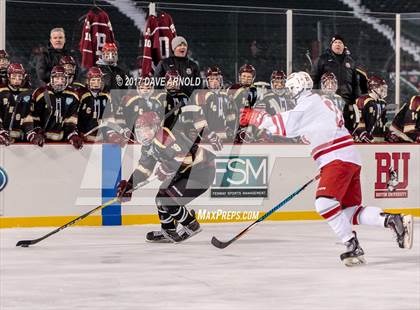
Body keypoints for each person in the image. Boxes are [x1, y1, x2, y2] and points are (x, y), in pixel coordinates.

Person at [240, 71, 413, 266]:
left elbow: (285, 126)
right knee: (349, 211)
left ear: (296, 88)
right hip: (345, 158)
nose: (289, 94)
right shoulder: (320, 103)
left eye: (290, 89)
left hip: (337, 158)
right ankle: (392, 220)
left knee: (324, 204)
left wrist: (256, 117)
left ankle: (351, 244)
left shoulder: (308, 103)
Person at [116, 111, 216, 243]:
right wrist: (129, 185)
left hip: (201, 171)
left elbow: (188, 157)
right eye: (141, 132)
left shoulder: (164, 137)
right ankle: (168, 231)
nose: (144, 134)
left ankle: (191, 225)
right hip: (184, 172)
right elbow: (144, 169)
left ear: (155, 127)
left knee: (168, 200)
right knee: (160, 198)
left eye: (147, 130)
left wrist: (168, 166)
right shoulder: (147, 147)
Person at [155, 69, 222, 151]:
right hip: (165, 136)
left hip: (182, 135)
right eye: (171, 80)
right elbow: (156, 120)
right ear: (165, 82)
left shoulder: (184, 97)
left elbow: (190, 117)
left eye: (176, 81)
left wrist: (190, 129)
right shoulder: (160, 97)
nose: (173, 83)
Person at [25, 65, 83, 149]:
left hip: (62, 140)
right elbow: (32, 116)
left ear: (66, 80)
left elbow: (71, 119)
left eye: (62, 79)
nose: (59, 82)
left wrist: (72, 135)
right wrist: (36, 132)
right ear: (51, 79)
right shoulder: (40, 93)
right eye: (57, 78)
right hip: (41, 139)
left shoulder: (73, 95)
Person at [312, 35, 359, 131]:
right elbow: (314, 79)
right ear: (331, 45)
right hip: (328, 101)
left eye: (340, 43)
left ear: (344, 46)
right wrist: (317, 97)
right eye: (335, 42)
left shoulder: (350, 61)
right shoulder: (322, 59)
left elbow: (355, 83)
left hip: (345, 102)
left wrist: (354, 101)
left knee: (346, 129)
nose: (338, 44)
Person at [191, 66, 236, 142]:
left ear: (221, 80)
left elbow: (231, 117)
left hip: (223, 136)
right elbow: (199, 120)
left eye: (217, 79)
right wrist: (209, 135)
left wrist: (231, 131)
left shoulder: (226, 95)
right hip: (206, 139)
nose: (215, 81)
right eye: (212, 79)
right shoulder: (201, 95)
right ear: (207, 81)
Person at [78, 66, 113, 142]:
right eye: (93, 80)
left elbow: (110, 118)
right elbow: (76, 117)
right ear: (88, 81)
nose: (96, 83)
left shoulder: (106, 97)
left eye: (98, 80)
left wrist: (111, 133)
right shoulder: (82, 96)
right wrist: (77, 132)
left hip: (102, 139)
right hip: (84, 138)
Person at [0, 64, 33, 145]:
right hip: (2, 137)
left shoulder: (27, 93)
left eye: (20, 76)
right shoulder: (1, 91)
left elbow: (28, 115)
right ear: (8, 76)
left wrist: (31, 133)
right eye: (14, 76)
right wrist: (1, 132)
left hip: (19, 137)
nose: (17, 79)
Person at [228, 64, 258, 143]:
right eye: (244, 76)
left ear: (253, 78)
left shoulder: (254, 90)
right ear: (240, 76)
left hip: (248, 126)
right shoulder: (234, 88)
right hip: (234, 126)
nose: (246, 79)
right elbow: (229, 108)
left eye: (249, 77)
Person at [352, 76, 388, 143]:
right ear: (373, 88)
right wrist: (362, 133)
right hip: (365, 141)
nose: (384, 90)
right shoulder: (363, 100)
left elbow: (383, 122)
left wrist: (388, 133)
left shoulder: (383, 103)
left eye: (384, 88)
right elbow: (357, 120)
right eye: (381, 88)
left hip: (380, 139)